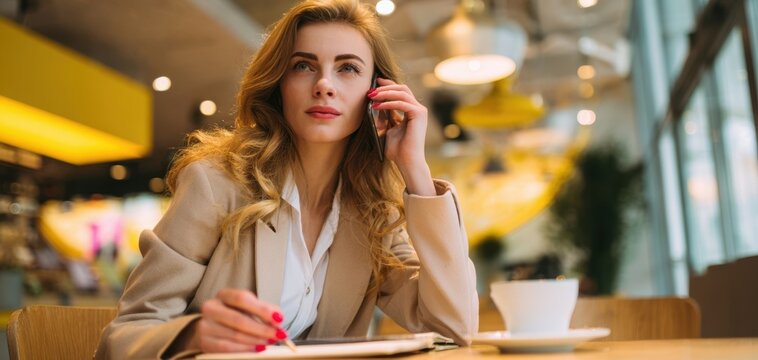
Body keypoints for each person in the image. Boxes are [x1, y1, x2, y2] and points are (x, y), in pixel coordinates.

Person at [96, 0, 478, 358]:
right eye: (303, 65)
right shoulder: (215, 184)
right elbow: (123, 337)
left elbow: (454, 327)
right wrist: (194, 336)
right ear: (279, 85)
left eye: (348, 68)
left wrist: (416, 173)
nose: (324, 84)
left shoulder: (372, 211)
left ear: (376, 95)